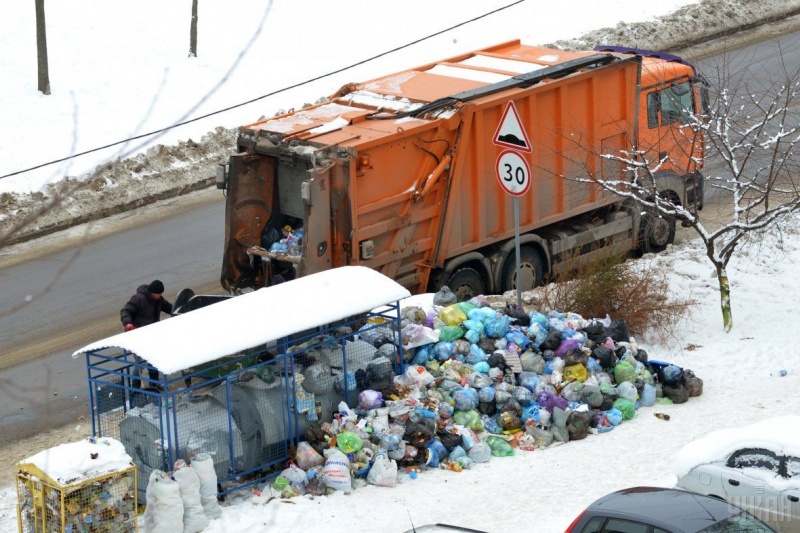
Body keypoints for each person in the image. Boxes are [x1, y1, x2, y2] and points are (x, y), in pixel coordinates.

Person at [120, 280, 173, 389]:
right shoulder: (138, 299)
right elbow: (125, 311)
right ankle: (135, 387)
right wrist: (128, 323)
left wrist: (177, 312)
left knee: (153, 360)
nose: (160, 296)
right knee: (140, 362)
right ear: (152, 292)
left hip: (151, 334)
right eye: (159, 294)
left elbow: (168, 308)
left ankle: (154, 384)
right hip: (137, 334)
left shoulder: (158, 300)